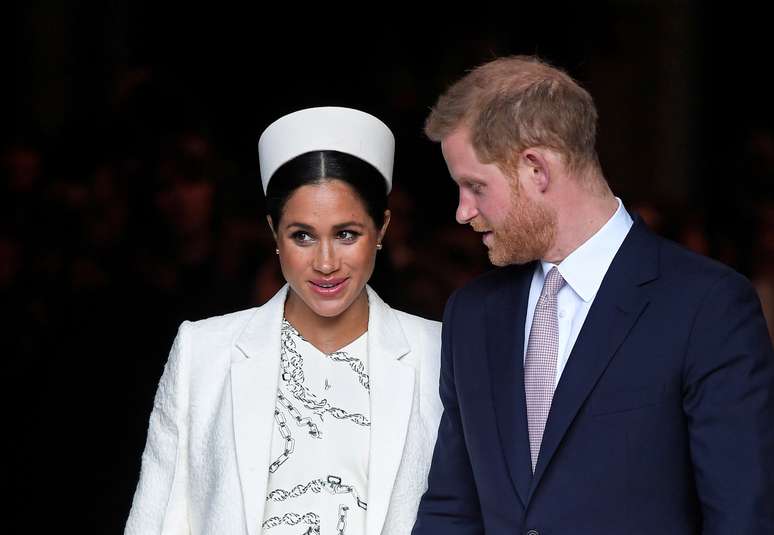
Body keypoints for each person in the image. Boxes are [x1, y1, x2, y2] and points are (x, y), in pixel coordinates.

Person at [412, 56, 774, 534]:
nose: (462, 212)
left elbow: (740, 519)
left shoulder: (708, 307)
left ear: (535, 169)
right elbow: (451, 511)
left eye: (474, 186)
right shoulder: (471, 314)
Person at [125, 106, 443, 535]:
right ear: (274, 233)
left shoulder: (439, 353)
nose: (326, 262)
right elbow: (155, 520)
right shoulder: (204, 352)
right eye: (303, 235)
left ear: (382, 229)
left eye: (346, 233)